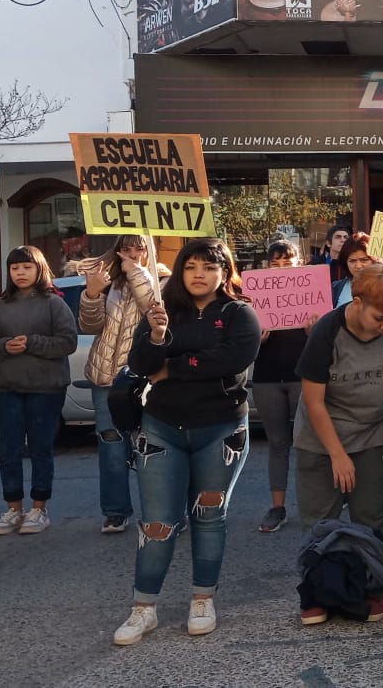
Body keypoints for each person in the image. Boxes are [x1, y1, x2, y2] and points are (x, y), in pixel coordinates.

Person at [113, 237, 261, 646]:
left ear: (224, 272)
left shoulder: (240, 313)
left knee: (209, 517)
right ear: (180, 271)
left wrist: (172, 367)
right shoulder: (163, 310)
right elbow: (140, 366)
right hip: (162, 427)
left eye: (209, 267)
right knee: (158, 523)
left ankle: (202, 599)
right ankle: (143, 609)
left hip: (221, 429)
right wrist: (157, 336)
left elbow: (231, 362)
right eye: (192, 266)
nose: (200, 274)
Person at [293, 266, 383, 626]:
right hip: (321, 436)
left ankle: (375, 583)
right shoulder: (327, 332)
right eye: (380, 318)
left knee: (372, 514)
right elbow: (314, 401)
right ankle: (318, 589)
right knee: (321, 519)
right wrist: (337, 455)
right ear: (358, 303)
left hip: (373, 431)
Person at [0, 246, 78, 537]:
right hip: (9, 387)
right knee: (8, 450)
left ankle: (39, 508)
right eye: (15, 268)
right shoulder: (0, 305)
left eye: (26, 267)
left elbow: (67, 342)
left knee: (40, 449)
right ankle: (13, 509)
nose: (20, 273)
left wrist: (33, 342)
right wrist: (3, 347)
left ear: (39, 269)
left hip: (47, 388)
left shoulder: (53, 303)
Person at [78, 234, 156, 534]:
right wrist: (92, 295)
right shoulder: (106, 281)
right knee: (111, 444)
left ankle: (159, 513)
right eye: (127, 249)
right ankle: (115, 512)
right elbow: (89, 326)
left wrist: (136, 271)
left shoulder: (161, 280)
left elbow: (152, 308)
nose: (133, 254)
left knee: (153, 448)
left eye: (139, 248)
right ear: (117, 251)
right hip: (106, 378)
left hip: (145, 380)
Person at [251, 240, 315, 534]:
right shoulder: (254, 298)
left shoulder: (312, 293)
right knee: (278, 443)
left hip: (302, 376)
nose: (279, 270)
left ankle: (314, 506)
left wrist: (313, 331)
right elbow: (242, 346)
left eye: (286, 263)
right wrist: (257, 337)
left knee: (308, 443)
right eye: (274, 264)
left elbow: (325, 343)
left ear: (299, 263)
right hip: (267, 377)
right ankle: (277, 507)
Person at [331, 232, 381, 307]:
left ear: (374, 261)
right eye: (352, 261)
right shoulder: (336, 288)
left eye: (364, 260)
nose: (358, 266)